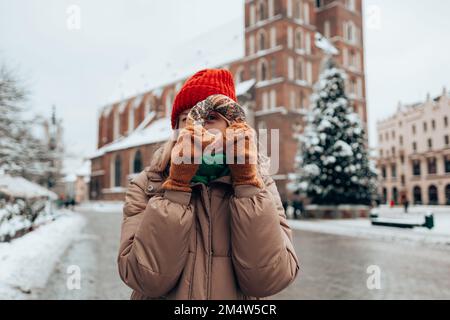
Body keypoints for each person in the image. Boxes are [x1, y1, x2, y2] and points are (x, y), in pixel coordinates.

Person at [117, 69, 299, 300]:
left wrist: (246, 185)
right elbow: (144, 279)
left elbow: (268, 281)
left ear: (233, 127)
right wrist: (177, 186)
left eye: (210, 118)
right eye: (186, 119)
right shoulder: (148, 184)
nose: (197, 127)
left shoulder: (261, 186)